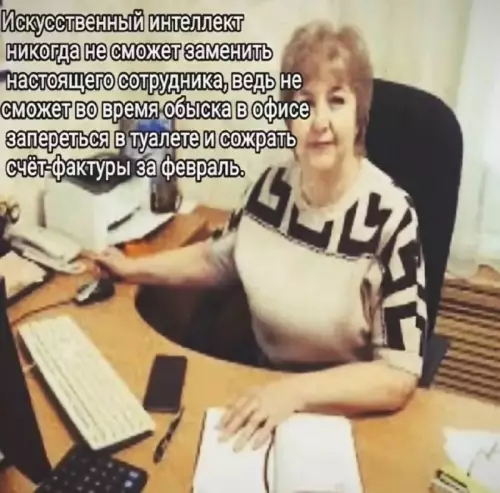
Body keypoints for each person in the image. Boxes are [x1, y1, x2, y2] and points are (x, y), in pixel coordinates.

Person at [92, 21, 428, 452]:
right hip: (261, 390)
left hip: (343, 412)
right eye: (303, 103)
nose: (319, 121)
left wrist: (295, 393)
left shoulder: (391, 217)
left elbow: (398, 374)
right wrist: (132, 268)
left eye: (336, 100)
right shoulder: (269, 190)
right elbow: (217, 258)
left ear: (359, 115)